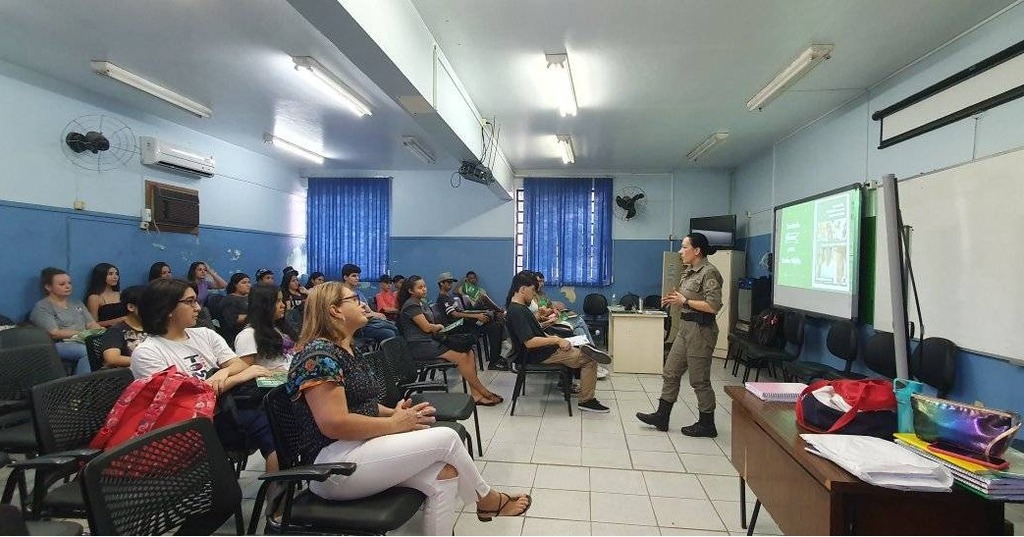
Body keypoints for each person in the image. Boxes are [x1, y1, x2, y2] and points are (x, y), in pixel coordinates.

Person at [285, 281, 530, 535]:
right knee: (446, 437)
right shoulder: (319, 356)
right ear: (335, 310)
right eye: (353, 299)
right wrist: (394, 424)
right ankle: (487, 499)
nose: (361, 304)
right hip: (331, 467)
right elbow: (334, 423)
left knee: (445, 474)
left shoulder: (345, 350)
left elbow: (361, 405)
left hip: (357, 447)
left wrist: (397, 414)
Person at [131, 278, 278, 475]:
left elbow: (237, 363)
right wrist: (234, 378)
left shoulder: (204, 334)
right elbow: (184, 400)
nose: (198, 307)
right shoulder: (147, 352)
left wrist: (223, 372)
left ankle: (276, 501)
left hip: (226, 412)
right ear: (167, 308)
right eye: (190, 302)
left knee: (280, 429)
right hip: (187, 427)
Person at [636, 233, 723, 437]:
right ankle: (662, 416)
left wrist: (684, 301)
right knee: (670, 372)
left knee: (699, 380)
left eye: (684, 247)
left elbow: (713, 306)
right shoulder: (689, 272)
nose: (680, 251)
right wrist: (674, 299)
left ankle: (707, 424)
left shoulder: (709, 273)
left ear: (697, 250)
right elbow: (685, 298)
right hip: (685, 328)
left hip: (701, 331)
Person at [504, 270, 611, 413]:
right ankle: (586, 401)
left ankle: (580, 350)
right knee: (589, 359)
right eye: (532, 290)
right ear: (522, 289)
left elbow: (536, 333)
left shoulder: (520, 308)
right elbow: (529, 342)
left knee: (574, 343)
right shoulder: (517, 311)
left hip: (541, 351)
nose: (533, 294)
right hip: (536, 355)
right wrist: (556, 340)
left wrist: (559, 340)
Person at [398, 276, 504, 406]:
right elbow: (426, 327)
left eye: (424, 286)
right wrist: (439, 327)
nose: (424, 289)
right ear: (410, 290)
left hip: (430, 340)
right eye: (420, 287)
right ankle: (484, 391)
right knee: (461, 357)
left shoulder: (420, 303)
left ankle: (476, 395)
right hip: (420, 345)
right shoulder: (411, 305)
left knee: (469, 352)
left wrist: (437, 327)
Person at [533, 272, 607, 379]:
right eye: (539, 281)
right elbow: (540, 314)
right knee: (580, 320)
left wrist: (554, 309)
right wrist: (549, 313)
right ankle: (593, 352)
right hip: (550, 322)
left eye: (543, 281)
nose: (541, 284)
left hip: (555, 317)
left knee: (579, 331)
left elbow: (548, 306)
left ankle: (590, 361)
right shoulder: (532, 296)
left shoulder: (542, 294)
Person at [29, 267, 101, 375]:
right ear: (48, 287)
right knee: (87, 351)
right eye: (62, 284)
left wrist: (97, 329)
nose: (68, 286)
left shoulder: (77, 303)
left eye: (69, 283)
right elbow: (54, 333)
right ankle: (83, 386)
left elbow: (91, 323)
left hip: (84, 339)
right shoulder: (42, 307)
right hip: (58, 344)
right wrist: (82, 333)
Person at [435, 272, 507, 371]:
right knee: (494, 327)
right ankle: (494, 361)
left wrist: (477, 315)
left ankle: (496, 358)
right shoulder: (443, 298)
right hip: (457, 326)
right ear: (441, 283)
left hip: (464, 322)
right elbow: (454, 314)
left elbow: (462, 311)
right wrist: (476, 316)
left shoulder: (450, 296)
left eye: (451, 282)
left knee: (496, 324)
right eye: (448, 282)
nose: (450, 284)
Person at [234, 284, 297, 371]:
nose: (283, 305)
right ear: (264, 305)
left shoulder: (278, 327)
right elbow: (245, 373)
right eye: (277, 301)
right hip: (275, 382)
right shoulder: (248, 335)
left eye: (282, 300)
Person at [341, 264, 398, 343]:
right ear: (345, 277)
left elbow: (368, 310)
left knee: (394, 327)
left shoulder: (359, 293)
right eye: (354, 276)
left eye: (358, 276)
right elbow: (350, 316)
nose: (357, 278)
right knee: (389, 333)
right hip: (357, 327)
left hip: (367, 322)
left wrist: (377, 314)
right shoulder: (342, 294)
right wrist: (372, 315)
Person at [99, 285, 148, 368]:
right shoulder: (116, 331)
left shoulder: (154, 328)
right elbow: (112, 359)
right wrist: (148, 361)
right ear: (131, 307)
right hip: (128, 376)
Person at [84, 262, 127, 327]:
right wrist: (117, 321)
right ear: (101, 276)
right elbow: (93, 324)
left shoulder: (121, 294)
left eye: (117, 274)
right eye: (110, 274)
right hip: (106, 332)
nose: (115, 277)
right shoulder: (95, 298)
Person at [218, 272, 252, 346]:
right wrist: (255, 314)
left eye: (249, 282)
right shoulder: (229, 300)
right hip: (239, 335)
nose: (248, 285)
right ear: (235, 285)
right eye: (244, 283)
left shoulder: (251, 297)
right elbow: (233, 320)